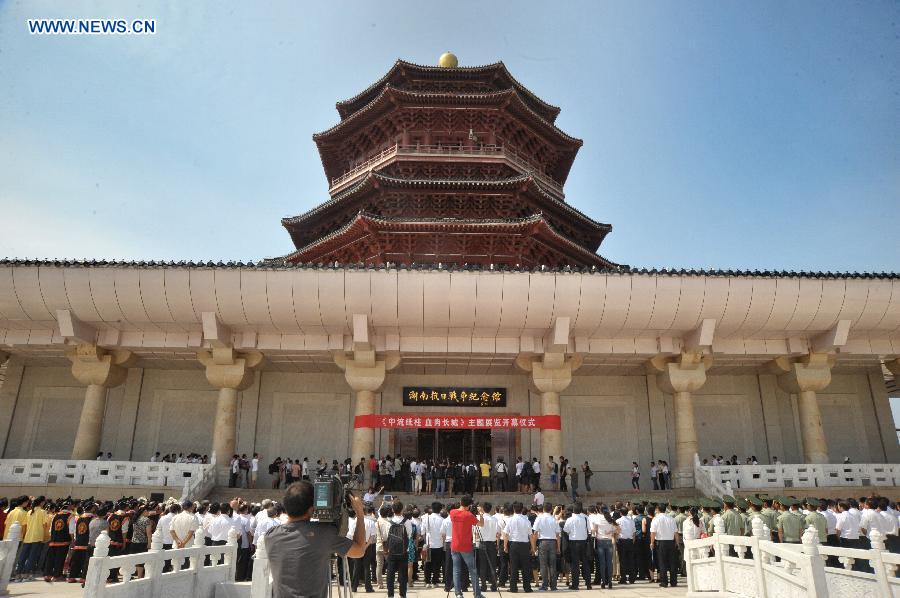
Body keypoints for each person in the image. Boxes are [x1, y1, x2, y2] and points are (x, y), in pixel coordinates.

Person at [265, 481, 366, 598]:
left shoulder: (270, 536)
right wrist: (359, 512)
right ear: (312, 509)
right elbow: (359, 550)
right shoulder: (324, 534)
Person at [449, 495, 485, 598]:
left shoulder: (453, 512)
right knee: (473, 570)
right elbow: (481, 524)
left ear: (460, 502)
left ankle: (458, 593)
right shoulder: (469, 515)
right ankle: (477, 593)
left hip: (455, 545)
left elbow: (456, 511)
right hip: (466, 546)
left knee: (456, 570)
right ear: (469, 505)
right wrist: (481, 514)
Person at [504, 501, 532, 593]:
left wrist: (505, 546)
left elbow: (506, 534)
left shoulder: (510, 520)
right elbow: (530, 535)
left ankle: (513, 588)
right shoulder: (526, 520)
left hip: (514, 545)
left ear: (513, 509)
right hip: (524, 545)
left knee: (513, 567)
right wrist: (532, 547)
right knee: (526, 567)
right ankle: (527, 587)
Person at [531, 502, 559, 591]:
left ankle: (544, 585)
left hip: (542, 542)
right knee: (552, 565)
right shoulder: (553, 519)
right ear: (551, 509)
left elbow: (534, 533)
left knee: (543, 565)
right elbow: (557, 535)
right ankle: (553, 585)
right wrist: (558, 547)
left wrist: (534, 546)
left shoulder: (539, 518)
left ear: (543, 509)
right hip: (552, 542)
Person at [563, 503, 591, 590]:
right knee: (586, 563)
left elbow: (565, 530)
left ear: (573, 510)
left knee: (575, 564)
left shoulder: (570, 519)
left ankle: (575, 584)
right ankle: (588, 584)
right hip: (584, 542)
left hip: (574, 543)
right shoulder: (586, 518)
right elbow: (589, 530)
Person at [649, 505, 679, 588]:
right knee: (672, 563)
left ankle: (664, 582)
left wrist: (651, 542)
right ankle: (673, 581)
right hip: (671, 542)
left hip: (661, 542)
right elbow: (675, 532)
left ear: (658, 509)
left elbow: (653, 532)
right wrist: (677, 542)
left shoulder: (656, 519)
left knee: (662, 563)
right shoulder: (671, 518)